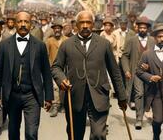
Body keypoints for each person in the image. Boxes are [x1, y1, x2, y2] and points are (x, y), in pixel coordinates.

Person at [51, 10, 127, 140]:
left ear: (93, 25)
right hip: (74, 96)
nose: (85, 25)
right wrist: (62, 79)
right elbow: (56, 67)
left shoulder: (104, 44)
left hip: (99, 95)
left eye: (88, 22)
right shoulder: (67, 44)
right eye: (82, 22)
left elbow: (115, 72)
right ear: (76, 25)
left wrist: (121, 96)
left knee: (99, 134)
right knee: (75, 135)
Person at [0, 11, 54, 140]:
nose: (23, 24)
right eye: (20, 21)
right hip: (12, 95)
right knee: (13, 132)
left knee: (31, 133)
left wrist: (49, 96)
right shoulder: (4, 46)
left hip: (32, 95)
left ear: (31, 24)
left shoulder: (40, 46)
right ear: (14, 24)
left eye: (26, 22)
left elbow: (47, 73)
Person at [136, 23, 163, 140]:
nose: (162, 39)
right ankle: (156, 136)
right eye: (159, 36)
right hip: (155, 94)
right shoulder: (147, 54)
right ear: (155, 37)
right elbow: (138, 71)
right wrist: (150, 77)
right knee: (158, 120)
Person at [121, 17, 155, 129]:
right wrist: (126, 70)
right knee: (139, 93)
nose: (142, 30)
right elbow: (125, 56)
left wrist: (150, 65)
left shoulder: (153, 41)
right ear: (137, 28)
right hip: (136, 72)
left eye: (144, 28)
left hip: (150, 73)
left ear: (148, 29)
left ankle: (155, 116)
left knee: (150, 94)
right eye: (140, 27)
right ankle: (139, 119)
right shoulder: (132, 41)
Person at [45, 19, 67, 117]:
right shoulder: (49, 41)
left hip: (65, 67)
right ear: (53, 30)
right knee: (55, 87)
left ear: (61, 29)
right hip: (53, 67)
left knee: (64, 86)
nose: (57, 30)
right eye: (55, 28)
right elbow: (46, 54)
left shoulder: (66, 40)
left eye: (59, 28)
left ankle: (63, 104)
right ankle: (55, 105)